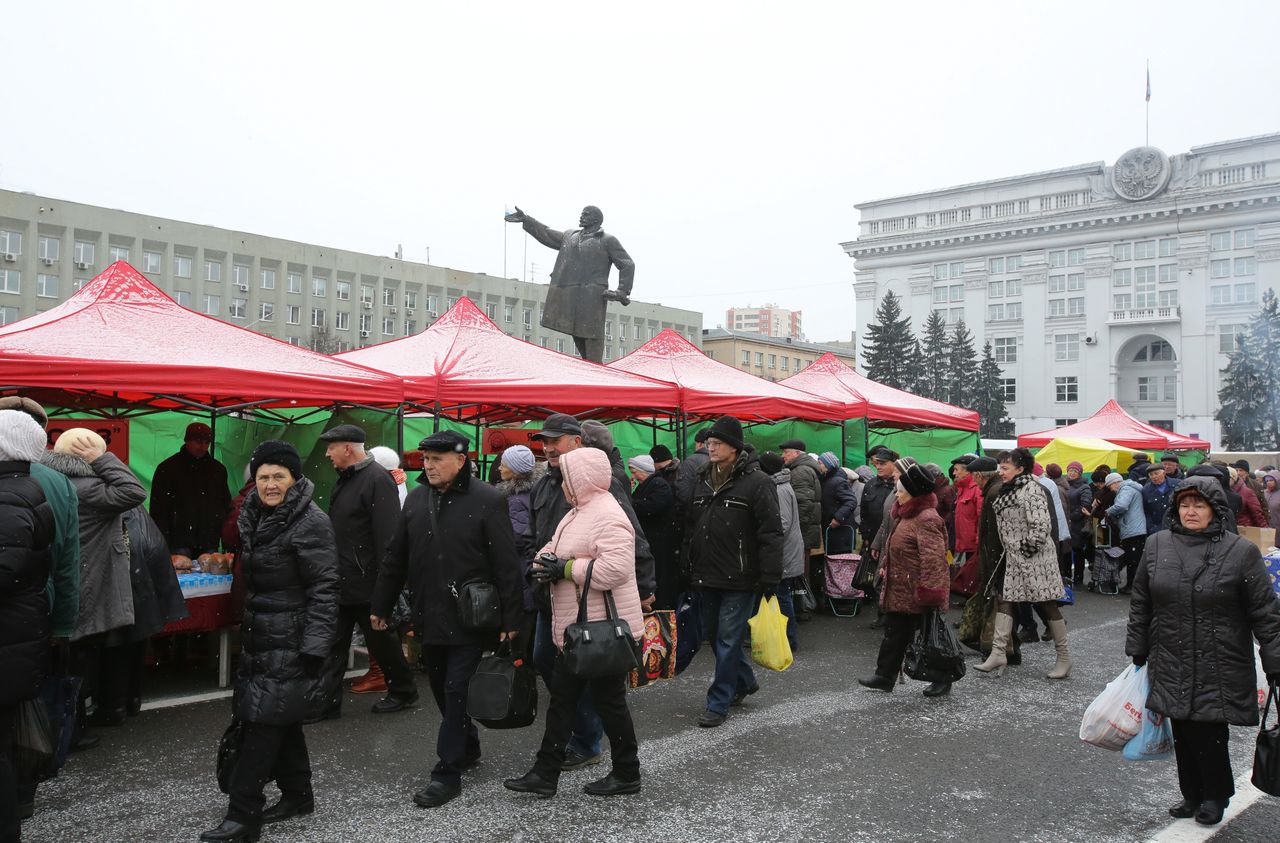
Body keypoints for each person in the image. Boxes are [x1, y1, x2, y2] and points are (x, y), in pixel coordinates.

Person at [370, 430, 522, 809]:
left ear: (460, 459)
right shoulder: (417, 499)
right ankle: (467, 745)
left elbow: (506, 563)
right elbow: (395, 556)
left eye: (438, 459)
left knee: (456, 689)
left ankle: (447, 772)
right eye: (426, 459)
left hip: (471, 617)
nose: (430, 465)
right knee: (440, 688)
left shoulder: (487, 499)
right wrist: (380, 606)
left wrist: (511, 617)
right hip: (428, 613)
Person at [201, 440, 338, 843]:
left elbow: (325, 587)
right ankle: (298, 795)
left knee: (261, 723)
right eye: (263, 477)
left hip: (292, 640)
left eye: (279, 476)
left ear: (295, 480)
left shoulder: (310, 521)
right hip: (263, 635)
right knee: (281, 716)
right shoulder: (257, 515)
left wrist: (316, 644)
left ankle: (244, 814)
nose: (270, 483)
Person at [1126, 477, 1280, 827]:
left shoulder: (1240, 551)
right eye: (1184, 505)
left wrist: (1274, 657)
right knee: (1181, 726)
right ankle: (1192, 793)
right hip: (1171, 652)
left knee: (1209, 730)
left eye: (1199, 505)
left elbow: (1264, 611)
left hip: (1220, 656)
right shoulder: (1157, 545)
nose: (1191, 511)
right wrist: (1137, 645)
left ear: (1215, 510)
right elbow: (1141, 601)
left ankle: (1215, 794)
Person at [503, 447, 644, 799]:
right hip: (578, 630)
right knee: (564, 701)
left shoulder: (608, 513)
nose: (562, 483)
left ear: (581, 478)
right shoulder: (578, 511)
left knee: (608, 703)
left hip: (600, 630)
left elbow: (616, 569)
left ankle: (627, 772)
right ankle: (545, 772)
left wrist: (565, 569)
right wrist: (544, 562)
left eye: (567, 476)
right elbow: (551, 546)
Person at [526, 413, 656, 771]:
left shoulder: (601, 491)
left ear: (577, 443)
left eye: (556, 441)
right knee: (550, 666)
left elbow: (628, 549)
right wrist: (536, 565)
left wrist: (644, 588)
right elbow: (543, 539)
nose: (548, 448)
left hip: (593, 607)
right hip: (552, 598)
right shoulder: (546, 485)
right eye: (544, 442)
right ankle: (561, 759)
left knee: (591, 683)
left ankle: (585, 746)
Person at [41, 428, 147, 749]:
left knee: (66, 659)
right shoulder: (87, 488)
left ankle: (62, 727)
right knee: (78, 663)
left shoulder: (50, 481)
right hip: (86, 583)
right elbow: (134, 491)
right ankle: (70, 730)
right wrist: (102, 459)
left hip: (63, 580)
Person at [686, 416, 782, 727]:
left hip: (740, 576)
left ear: (734, 447)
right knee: (714, 636)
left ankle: (719, 701)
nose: (710, 448)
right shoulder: (702, 478)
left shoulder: (758, 482)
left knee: (728, 638)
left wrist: (770, 576)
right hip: (707, 573)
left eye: (717, 443)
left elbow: (770, 533)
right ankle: (743, 680)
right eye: (709, 443)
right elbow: (693, 527)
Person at [315, 424, 416, 717]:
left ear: (348, 448)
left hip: (368, 580)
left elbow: (388, 538)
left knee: (381, 641)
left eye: (331, 447)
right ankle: (326, 702)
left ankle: (404, 691)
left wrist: (386, 585)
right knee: (334, 641)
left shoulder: (375, 480)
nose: (327, 453)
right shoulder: (346, 479)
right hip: (344, 578)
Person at [0, 410, 56, 843]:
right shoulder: (24, 489)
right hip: (18, 634)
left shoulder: (10, 495)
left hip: (9, 638)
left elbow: (6, 568)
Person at [975, 448, 1071, 680]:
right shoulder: (1008, 490)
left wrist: (1023, 551)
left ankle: (1064, 657)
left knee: (1048, 604)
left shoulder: (1032, 490)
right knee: (1005, 599)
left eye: (1005, 468)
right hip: (1015, 558)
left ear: (1020, 469)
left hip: (1037, 559)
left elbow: (1041, 528)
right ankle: (998, 652)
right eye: (1000, 467)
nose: (1001, 472)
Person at [858, 460, 951, 697]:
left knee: (930, 636)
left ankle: (942, 678)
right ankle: (884, 676)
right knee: (895, 634)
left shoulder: (927, 518)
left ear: (914, 494)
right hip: (901, 587)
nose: (897, 496)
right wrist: (886, 567)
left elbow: (934, 560)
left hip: (918, 591)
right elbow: (897, 547)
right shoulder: (906, 514)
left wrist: (930, 593)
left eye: (901, 492)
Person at [504, 205, 635, 363]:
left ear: (596, 219)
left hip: (592, 298)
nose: (581, 216)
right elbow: (547, 233)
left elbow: (627, 264)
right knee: (578, 335)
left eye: (586, 214)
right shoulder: (570, 235)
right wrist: (527, 220)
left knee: (592, 336)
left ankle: (596, 374)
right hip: (571, 296)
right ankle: (590, 371)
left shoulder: (607, 240)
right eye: (581, 213)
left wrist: (622, 291)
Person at [149, 421, 231, 557]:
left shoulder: (218, 470)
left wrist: (224, 535)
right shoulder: (167, 468)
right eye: (198, 442)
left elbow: (225, 504)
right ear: (187, 441)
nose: (203, 446)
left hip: (209, 541)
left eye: (206, 442)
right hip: (178, 541)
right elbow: (158, 510)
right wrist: (163, 541)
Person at [758, 451, 804, 653]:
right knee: (781, 594)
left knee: (782, 594)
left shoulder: (780, 489)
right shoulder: (781, 485)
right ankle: (784, 638)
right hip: (785, 549)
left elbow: (782, 523)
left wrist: (763, 535)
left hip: (783, 551)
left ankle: (789, 640)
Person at [496, 445, 540, 644]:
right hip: (531, 563)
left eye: (503, 464)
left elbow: (518, 537)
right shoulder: (535, 491)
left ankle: (522, 667)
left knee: (523, 618)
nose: (499, 467)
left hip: (521, 565)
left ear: (514, 469)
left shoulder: (514, 499)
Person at [628, 454, 678, 610]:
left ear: (645, 470)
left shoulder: (659, 485)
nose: (633, 476)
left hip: (659, 543)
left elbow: (650, 507)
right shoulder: (648, 485)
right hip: (652, 542)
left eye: (635, 471)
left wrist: (629, 502)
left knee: (660, 581)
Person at [1104, 472, 1147, 594]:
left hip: (1133, 529)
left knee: (1132, 560)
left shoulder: (1126, 489)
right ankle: (1133, 585)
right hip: (1135, 528)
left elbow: (1121, 506)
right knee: (1133, 559)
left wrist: (1108, 511)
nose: (1111, 489)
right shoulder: (1131, 488)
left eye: (1110, 486)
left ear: (1115, 482)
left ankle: (1132, 586)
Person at [780, 440, 823, 559]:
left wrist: (795, 530)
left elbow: (804, 504)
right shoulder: (802, 468)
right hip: (806, 531)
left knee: (800, 569)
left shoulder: (800, 471)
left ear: (797, 453)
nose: (783, 456)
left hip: (802, 532)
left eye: (786, 452)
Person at [817, 451, 857, 554]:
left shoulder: (838, 481)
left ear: (828, 465)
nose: (818, 466)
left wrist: (838, 518)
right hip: (831, 530)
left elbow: (851, 501)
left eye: (820, 463)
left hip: (839, 532)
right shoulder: (825, 480)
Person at [1064, 461, 1094, 585]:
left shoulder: (1084, 487)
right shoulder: (1065, 484)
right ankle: (1066, 575)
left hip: (1077, 524)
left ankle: (1078, 577)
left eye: (1075, 471)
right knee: (1066, 550)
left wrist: (1072, 516)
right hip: (1067, 523)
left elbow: (1085, 505)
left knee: (1077, 551)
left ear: (1080, 473)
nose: (1071, 473)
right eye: (1070, 470)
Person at [951, 455, 981, 570]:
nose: (954, 473)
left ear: (967, 471)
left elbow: (980, 517)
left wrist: (978, 543)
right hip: (963, 546)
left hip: (973, 548)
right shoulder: (961, 489)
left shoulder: (976, 489)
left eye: (956, 469)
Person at [673, 427, 711, 510]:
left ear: (700, 444)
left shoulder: (690, 461)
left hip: (694, 513)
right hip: (712, 512)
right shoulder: (721, 459)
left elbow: (683, 493)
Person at [1141, 462, 1183, 536]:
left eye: (1156, 473)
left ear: (1164, 473)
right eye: (1151, 475)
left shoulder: (1177, 484)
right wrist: (1151, 527)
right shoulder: (1146, 490)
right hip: (1156, 530)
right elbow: (1145, 510)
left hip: (1176, 527)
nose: (1154, 477)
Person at [1231, 460, 1268, 529]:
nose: (1238, 473)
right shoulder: (1232, 485)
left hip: (1252, 524)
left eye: (1241, 470)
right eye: (1236, 470)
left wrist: (1264, 526)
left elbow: (1263, 505)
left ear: (1247, 473)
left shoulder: (1256, 486)